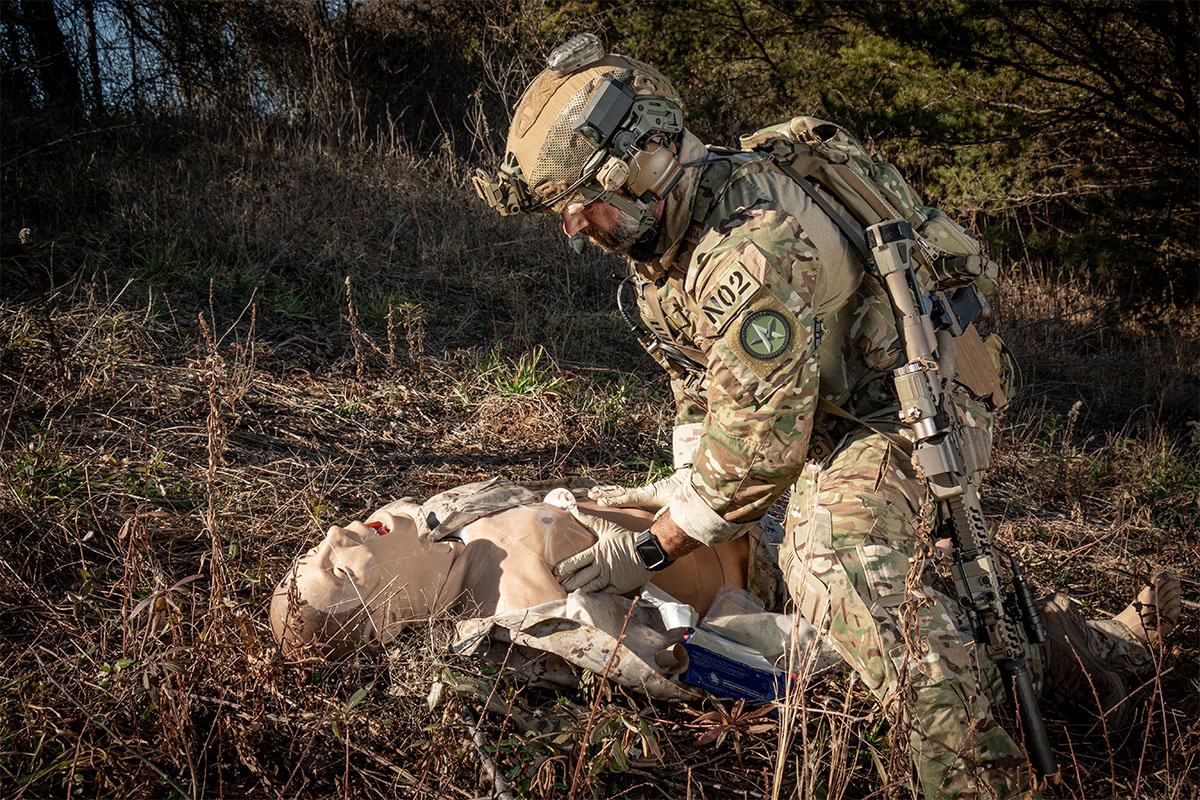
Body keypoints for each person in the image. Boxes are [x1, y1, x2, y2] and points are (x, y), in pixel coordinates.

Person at [470, 34, 1181, 798]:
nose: (575, 228)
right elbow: (704, 389)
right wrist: (685, 492)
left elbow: (755, 455)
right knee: (841, 572)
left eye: (582, 205)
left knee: (833, 555)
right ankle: (1098, 655)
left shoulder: (746, 249)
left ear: (642, 165)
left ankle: (976, 778)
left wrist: (647, 550)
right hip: (824, 405)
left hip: (907, 401)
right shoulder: (668, 244)